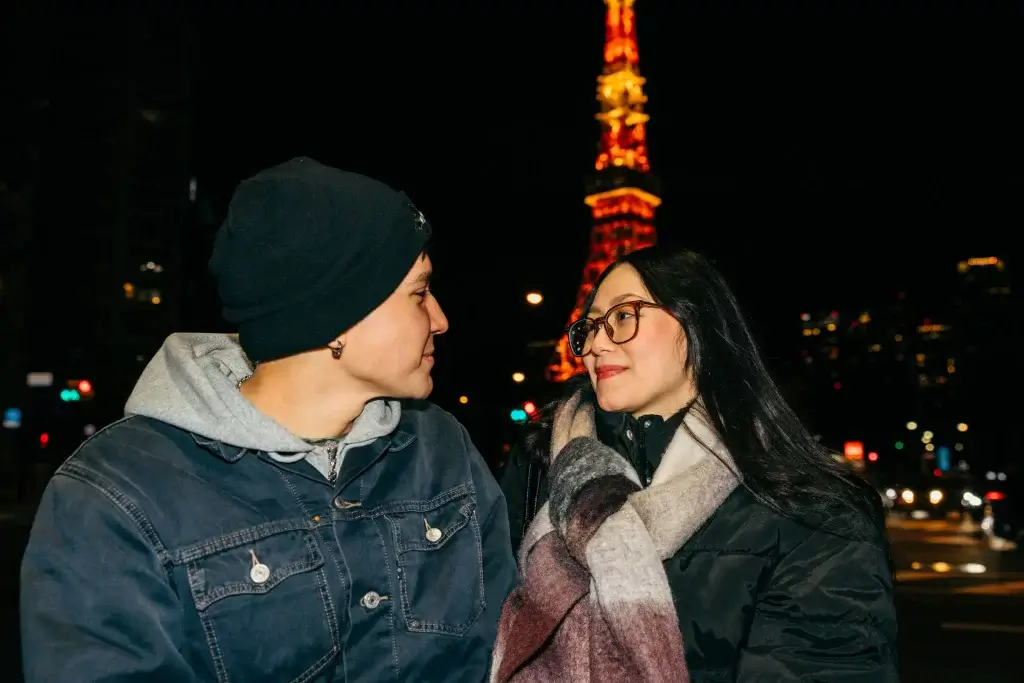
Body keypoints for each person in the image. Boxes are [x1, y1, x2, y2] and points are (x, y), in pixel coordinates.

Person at [20, 157, 517, 683]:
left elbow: (506, 652)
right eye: (418, 293)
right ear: (337, 314)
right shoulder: (117, 493)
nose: (440, 319)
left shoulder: (440, 448)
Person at [492, 246, 898, 682]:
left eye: (624, 315)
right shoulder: (539, 466)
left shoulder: (813, 511)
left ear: (697, 324)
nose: (596, 344)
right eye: (588, 327)